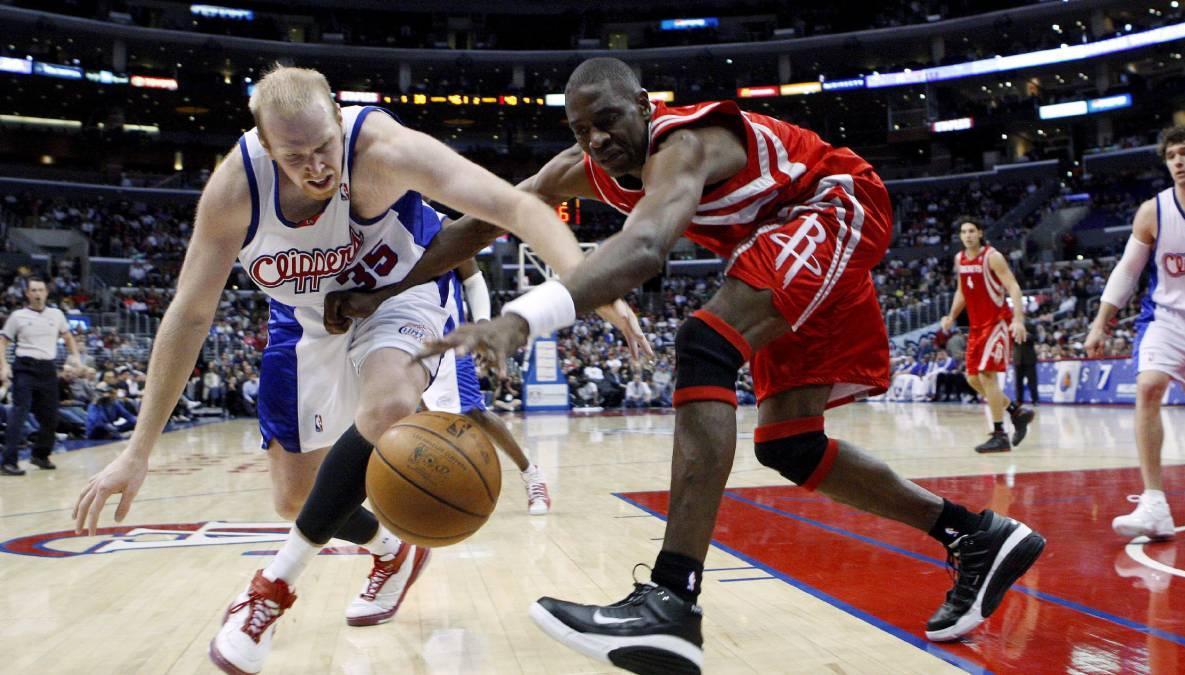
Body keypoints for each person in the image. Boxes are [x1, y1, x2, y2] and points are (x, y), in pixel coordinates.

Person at [330, 57, 1045, 673]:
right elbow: (484, 222)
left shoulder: (686, 141)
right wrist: (384, 290)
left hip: (836, 206)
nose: (597, 140)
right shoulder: (584, 168)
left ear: (645, 104)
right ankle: (974, 535)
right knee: (788, 445)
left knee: (703, 342)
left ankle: (672, 597)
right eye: (581, 131)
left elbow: (644, 252)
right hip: (780, 245)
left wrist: (521, 317)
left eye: (608, 120)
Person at [69, 64, 644, 675]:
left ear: (339, 120)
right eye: (296, 156)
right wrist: (139, 448)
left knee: (388, 406)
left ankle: (270, 589)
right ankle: (391, 548)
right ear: (265, 145)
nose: (317, 166)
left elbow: (517, 207)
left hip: (401, 292)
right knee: (295, 499)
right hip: (306, 320)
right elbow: (190, 314)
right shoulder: (234, 192)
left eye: (325, 146)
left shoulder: (384, 150)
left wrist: (594, 288)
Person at [1084, 123, 1185, 541]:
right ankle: (1154, 505)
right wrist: (1100, 323)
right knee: (1149, 387)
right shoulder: (1154, 211)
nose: (1178, 162)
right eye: (1171, 157)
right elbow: (1127, 271)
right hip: (1168, 318)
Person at [424, 258, 551, 515]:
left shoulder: (440, 224)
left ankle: (532, 475)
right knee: (405, 416)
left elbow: (472, 278)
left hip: (449, 341)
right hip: (397, 341)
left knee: (474, 412)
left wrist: (482, 325)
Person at [940, 218, 1036, 452]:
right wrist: (951, 316)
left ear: (980, 233)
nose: (968, 235)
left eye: (972, 231)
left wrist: (1018, 319)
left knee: (987, 376)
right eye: (963, 232)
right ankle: (1016, 411)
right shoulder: (960, 259)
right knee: (972, 379)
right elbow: (962, 290)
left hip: (997, 323)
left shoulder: (992, 256)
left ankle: (1000, 434)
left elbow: (1013, 286)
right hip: (976, 327)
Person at [0, 277, 83, 474]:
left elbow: (68, 336)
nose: (37, 293)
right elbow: (3, 341)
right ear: (28, 294)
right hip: (24, 368)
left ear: (46, 292)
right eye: (33, 290)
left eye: (41, 290)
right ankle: (7, 462)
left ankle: (40, 455)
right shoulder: (18, 316)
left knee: (51, 416)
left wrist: (75, 357)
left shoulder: (56, 315)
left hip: (47, 369)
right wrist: (3, 365)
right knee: (19, 413)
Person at [1011, 332, 1039, 407]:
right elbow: (1011, 339)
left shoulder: (1030, 328)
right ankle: (1019, 400)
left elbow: (1035, 338)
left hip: (1029, 360)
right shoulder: (1013, 331)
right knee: (1018, 382)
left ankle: (1035, 400)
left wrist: (1023, 334)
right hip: (1018, 360)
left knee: (1032, 382)